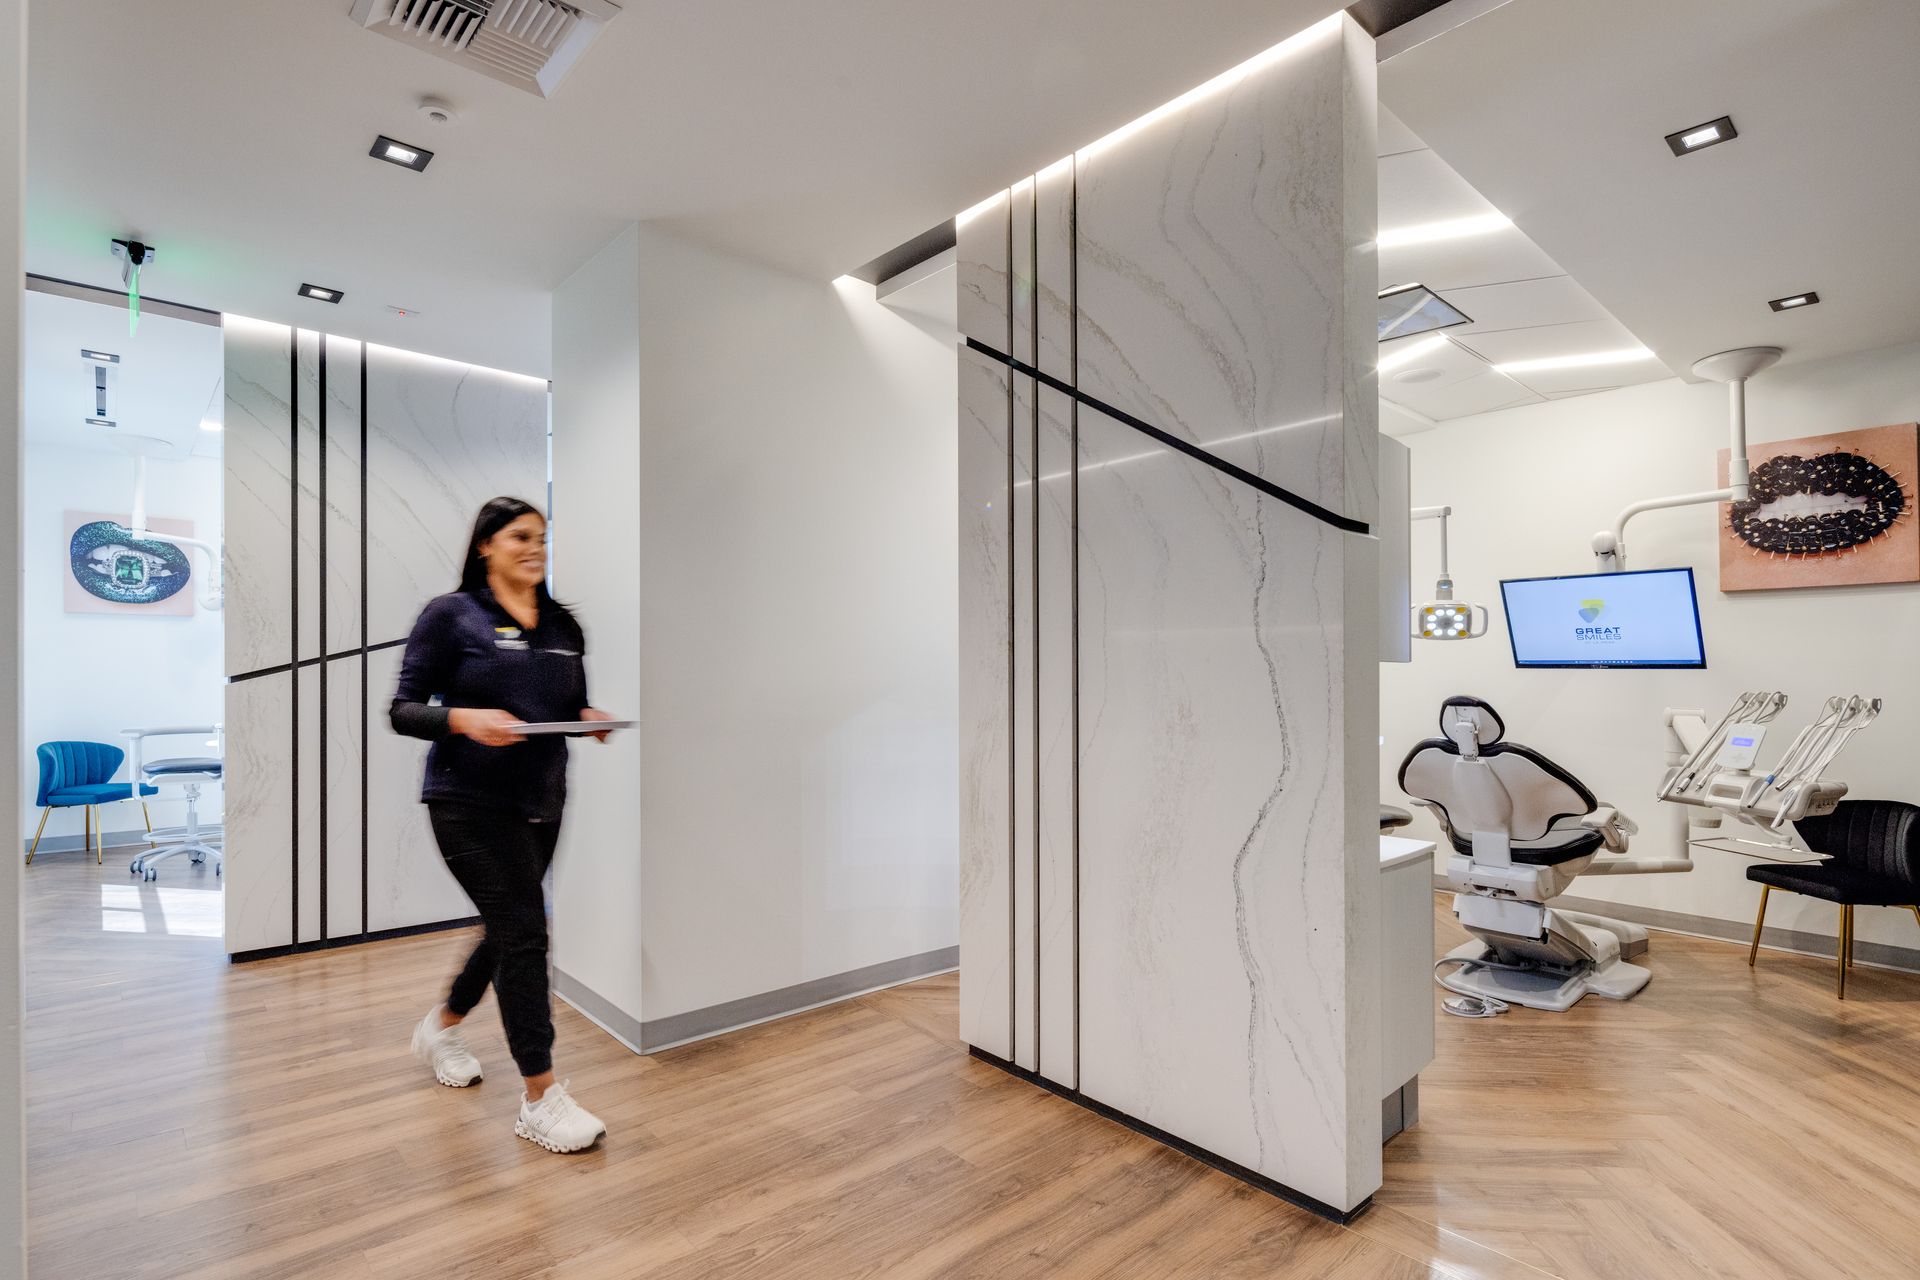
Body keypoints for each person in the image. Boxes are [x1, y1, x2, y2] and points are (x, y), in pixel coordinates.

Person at [391, 495, 614, 1154]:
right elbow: (403, 710)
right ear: (485, 544)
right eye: (520, 536)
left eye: (541, 537)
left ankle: (441, 1026)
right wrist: (463, 718)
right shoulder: (451, 615)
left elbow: (570, 703)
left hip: (541, 800)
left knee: (510, 927)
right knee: (524, 933)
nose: (535, 548)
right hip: (467, 801)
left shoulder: (563, 624)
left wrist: (590, 718)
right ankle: (540, 1099)